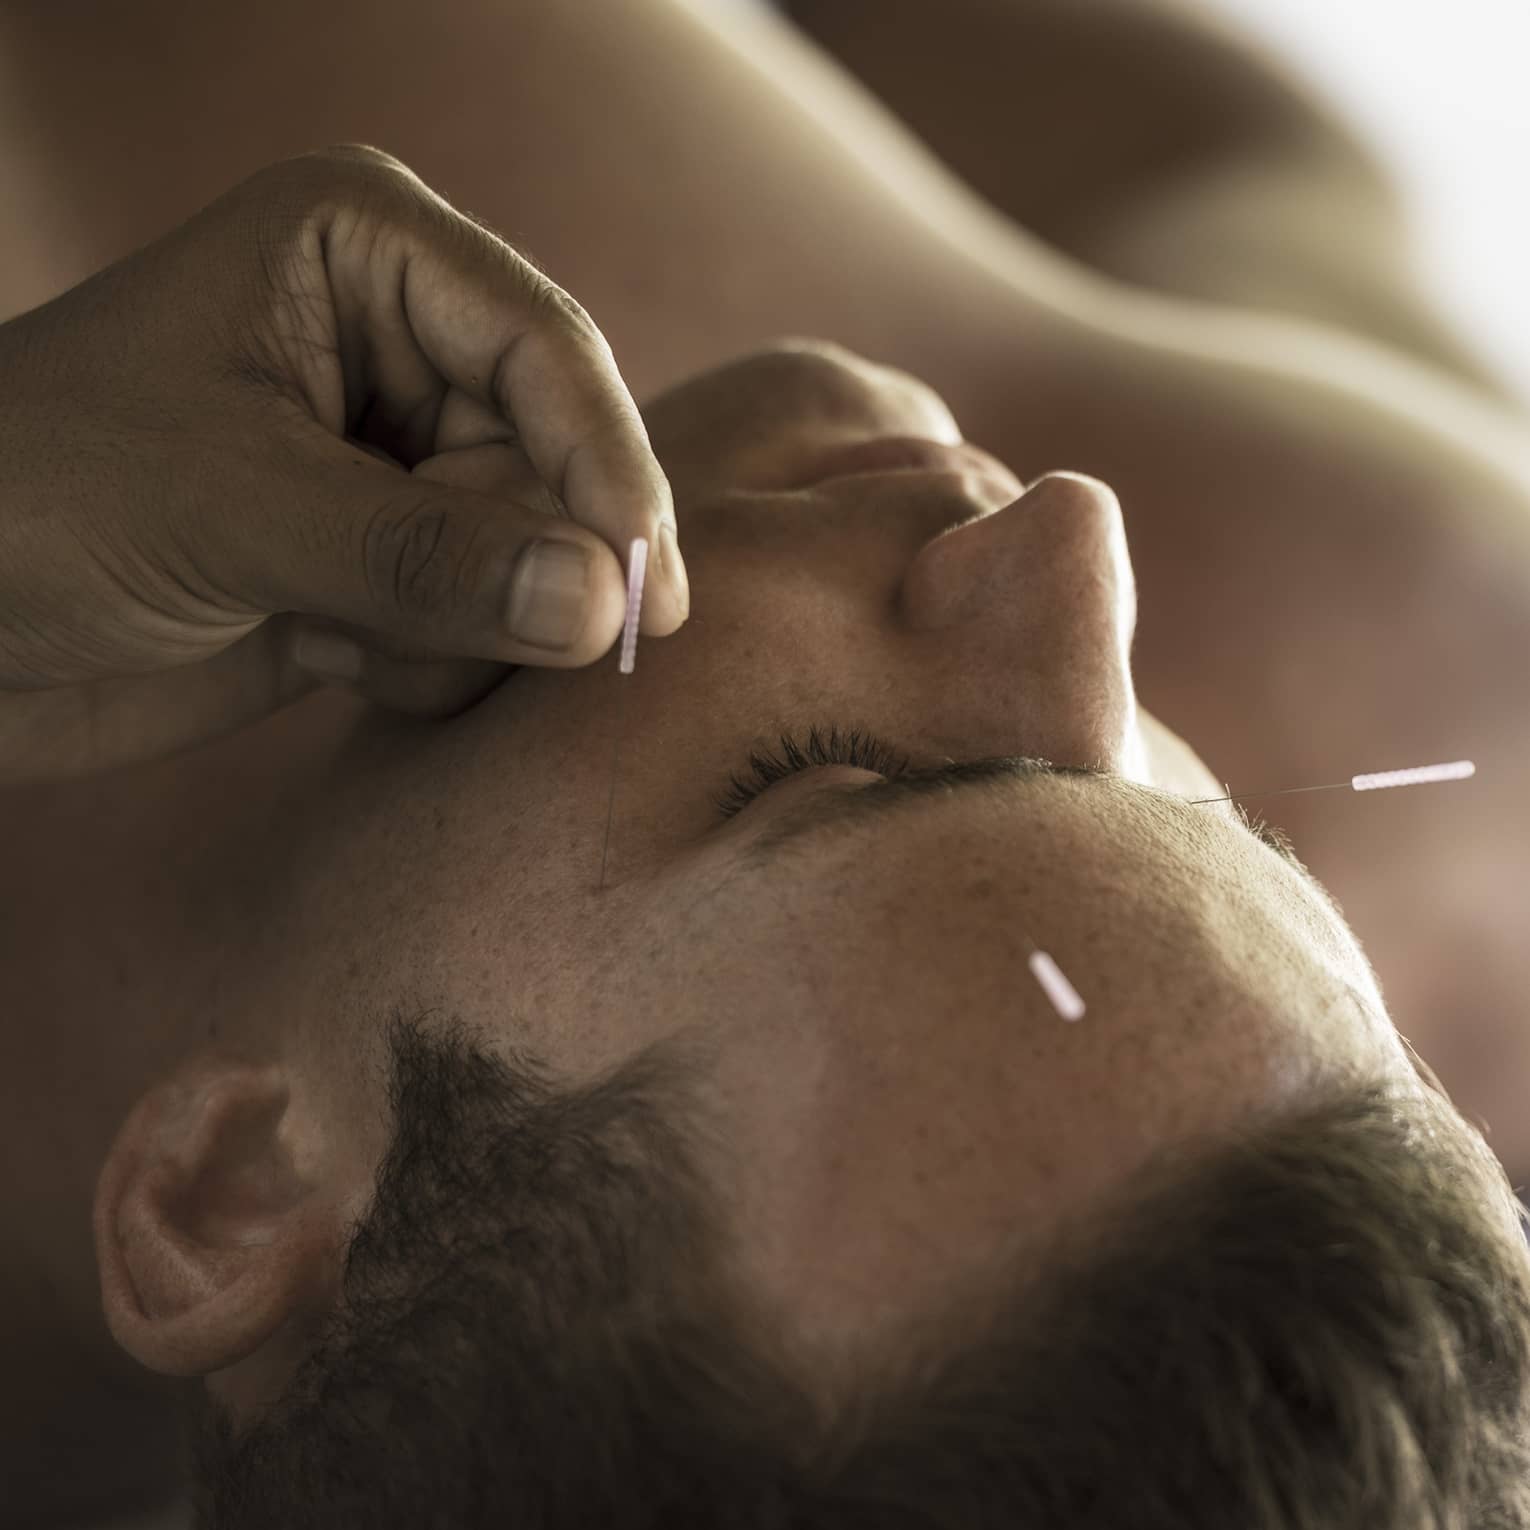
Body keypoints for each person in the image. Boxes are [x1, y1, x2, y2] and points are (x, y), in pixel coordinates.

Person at [2, 0, 1529, 1524]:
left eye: (838, 779)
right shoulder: (1392, 656)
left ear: (225, 1187)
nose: (1075, 545)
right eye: (1221, 823)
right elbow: (1215, 165)